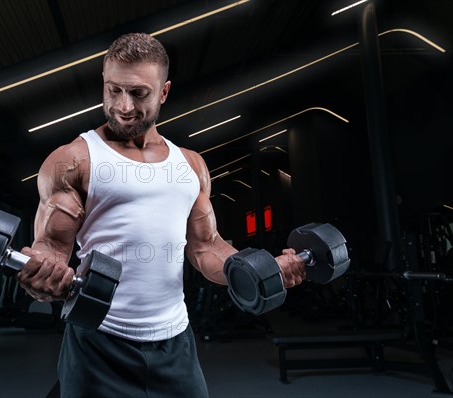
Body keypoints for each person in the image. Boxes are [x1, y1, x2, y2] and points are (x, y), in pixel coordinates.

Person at [17, 32, 306, 398]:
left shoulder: (191, 165)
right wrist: (41, 273)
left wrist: (260, 270)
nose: (123, 106)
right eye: (113, 90)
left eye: (139, 94)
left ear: (164, 92)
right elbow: (52, 248)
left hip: (175, 343)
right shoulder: (73, 160)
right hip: (97, 342)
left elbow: (206, 249)